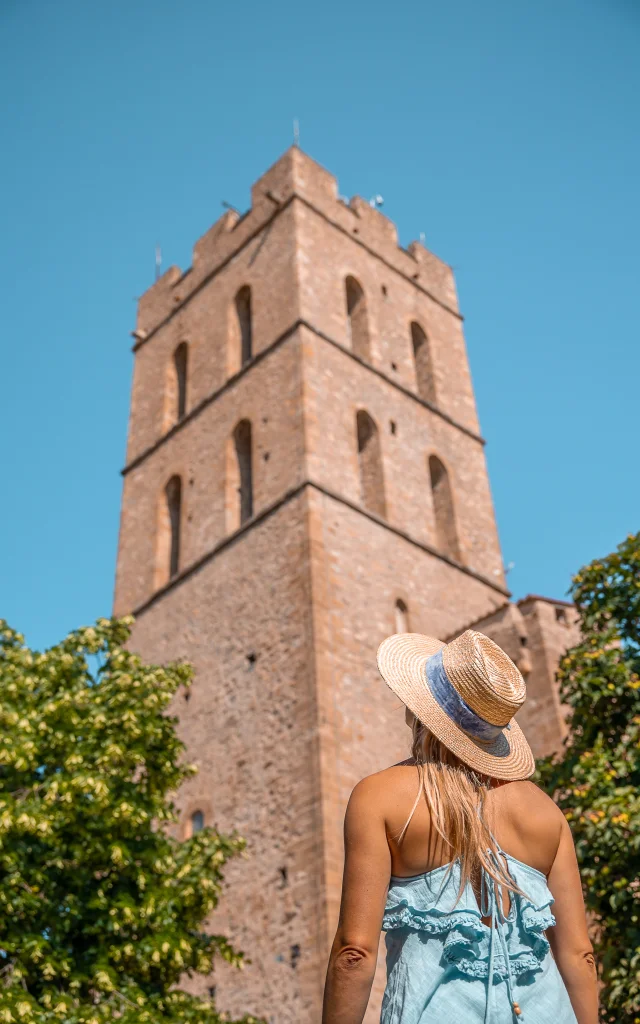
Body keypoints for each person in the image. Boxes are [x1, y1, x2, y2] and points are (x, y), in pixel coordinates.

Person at [322, 630, 598, 1024]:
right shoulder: (547, 814)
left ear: (417, 708)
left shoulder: (380, 796)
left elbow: (354, 953)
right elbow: (579, 956)